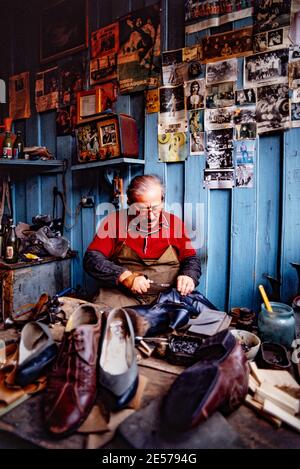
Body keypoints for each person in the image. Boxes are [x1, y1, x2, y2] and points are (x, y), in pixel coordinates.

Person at [84, 175, 204, 309]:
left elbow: (191, 258)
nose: (150, 217)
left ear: (162, 201)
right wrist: (125, 276)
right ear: (129, 203)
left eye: (155, 208)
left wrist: (189, 275)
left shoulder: (175, 224)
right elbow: (91, 259)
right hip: (123, 296)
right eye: (141, 209)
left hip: (167, 297)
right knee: (100, 317)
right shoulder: (114, 222)